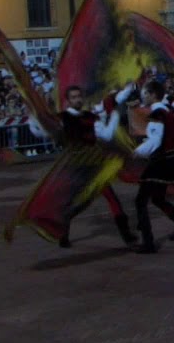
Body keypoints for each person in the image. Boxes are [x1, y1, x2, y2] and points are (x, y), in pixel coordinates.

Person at [28, 84, 139, 247]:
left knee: (112, 200)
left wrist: (114, 114)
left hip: (93, 167)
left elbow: (107, 135)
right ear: (68, 100)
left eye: (79, 96)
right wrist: (34, 118)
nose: (78, 99)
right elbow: (42, 133)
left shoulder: (89, 116)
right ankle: (63, 236)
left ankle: (127, 236)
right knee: (71, 203)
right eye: (74, 97)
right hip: (76, 168)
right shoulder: (62, 118)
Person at [131, 79, 174, 254]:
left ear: (152, 94)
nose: (143, 96)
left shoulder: (158, 113)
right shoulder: (165, 110)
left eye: (145, 93)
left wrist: (138, 151)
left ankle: (148, 243)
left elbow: (155, 140)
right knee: (157, 198)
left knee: (141, 201)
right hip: (168, 159)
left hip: (160, 161)